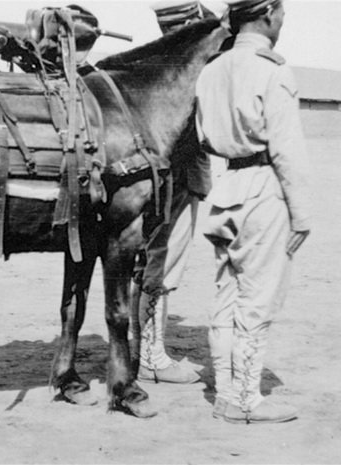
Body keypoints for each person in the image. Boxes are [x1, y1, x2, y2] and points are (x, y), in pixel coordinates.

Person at [195, 0, 311, 423]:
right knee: (258, 299)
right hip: (263, 187)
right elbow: (286, 148)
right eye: (281, 12)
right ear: (266, 14)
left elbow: (204, 137)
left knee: (227, 293)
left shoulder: (211, 70)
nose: (283, 20)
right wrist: (301, 213)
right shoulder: (272, 69)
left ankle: (225, 392)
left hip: (225, 185)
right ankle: (245, 401)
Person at [133, 0, 213, 385]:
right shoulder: (189, 72)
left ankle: (142, 349)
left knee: (144, 264)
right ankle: (150, 357)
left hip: (155, 180)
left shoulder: (154, 68)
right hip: (175, 182)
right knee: (160, 268)